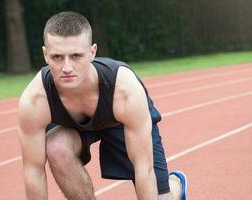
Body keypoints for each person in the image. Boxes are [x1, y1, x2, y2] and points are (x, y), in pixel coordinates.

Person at [18, 11, 187, 200]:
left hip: (120, 122)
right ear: (45, 55)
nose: (66, 67)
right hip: (74, 127)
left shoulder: (124, 90)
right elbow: (33, 172)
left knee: (162, 198)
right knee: (56, 146)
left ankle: (174, 184)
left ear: (92, 52)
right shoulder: (35, 100)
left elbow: (143, 168)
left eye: (76, 56)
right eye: (57, 57)